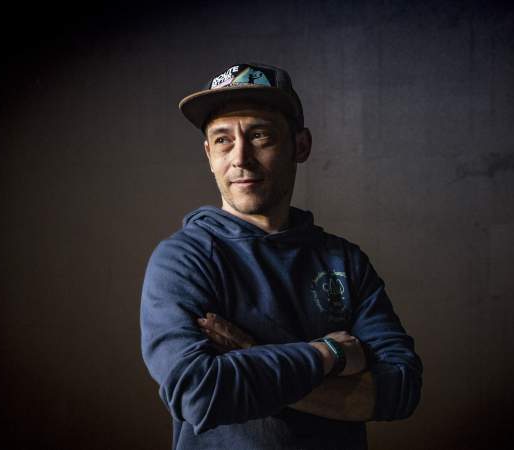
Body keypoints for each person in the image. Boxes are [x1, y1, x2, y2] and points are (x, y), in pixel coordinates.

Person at [140, 63, 423, 450]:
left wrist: (250, 356)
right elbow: (199, 393)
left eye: (260, 135)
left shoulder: (344, 260)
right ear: (209, 154)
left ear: (300, 146)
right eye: (223, 140)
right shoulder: (184, 259)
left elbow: (400, 390)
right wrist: (329, 354)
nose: (241, 157)